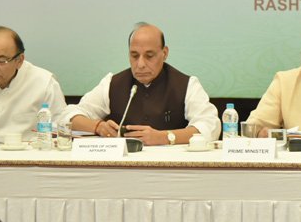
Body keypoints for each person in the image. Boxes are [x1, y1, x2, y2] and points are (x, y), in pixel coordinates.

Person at [62, 23, 220, 145]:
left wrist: (164, 137)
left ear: (164, 53)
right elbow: (67, 117)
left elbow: (210, 126)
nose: (140, 64)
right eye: (134, 56)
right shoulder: (112, 83)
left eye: (149, 56)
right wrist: (97, 126)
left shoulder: (187, 85)